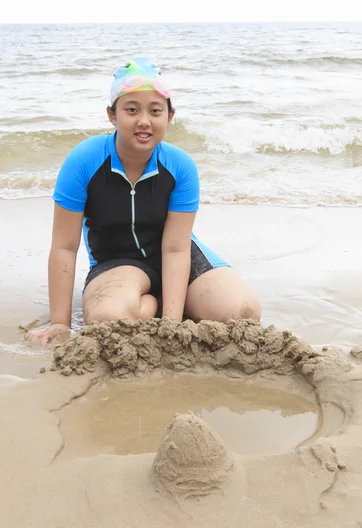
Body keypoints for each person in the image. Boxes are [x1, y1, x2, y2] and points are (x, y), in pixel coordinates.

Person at [28, 57, 261, 345]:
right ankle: (154, 302)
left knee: (242, 313)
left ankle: (169, 304)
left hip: (176, 255)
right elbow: (65, 246)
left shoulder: (180, 166)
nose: (144, 121)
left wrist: (172, 326)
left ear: (169, 116)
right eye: (131, 110)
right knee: (110, 320)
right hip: (117, 263)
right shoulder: (83, 161)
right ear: (112, 115)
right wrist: (60, 324)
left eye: (155, 111)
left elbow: (176, 249)